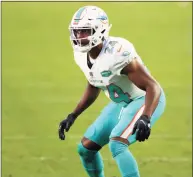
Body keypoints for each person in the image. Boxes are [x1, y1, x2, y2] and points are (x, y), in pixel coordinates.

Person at [58, 5, 166, 177]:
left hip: (145, 99)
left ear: (99, 30)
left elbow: (153, 86)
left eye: (85, 31)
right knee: (85, 148)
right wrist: (73, 115)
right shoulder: (81, 55)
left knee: (117, 143)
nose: (79, 37)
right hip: (123, 103)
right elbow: (94, 82)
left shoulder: (117, 53)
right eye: (76, 32)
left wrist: (146, 117)